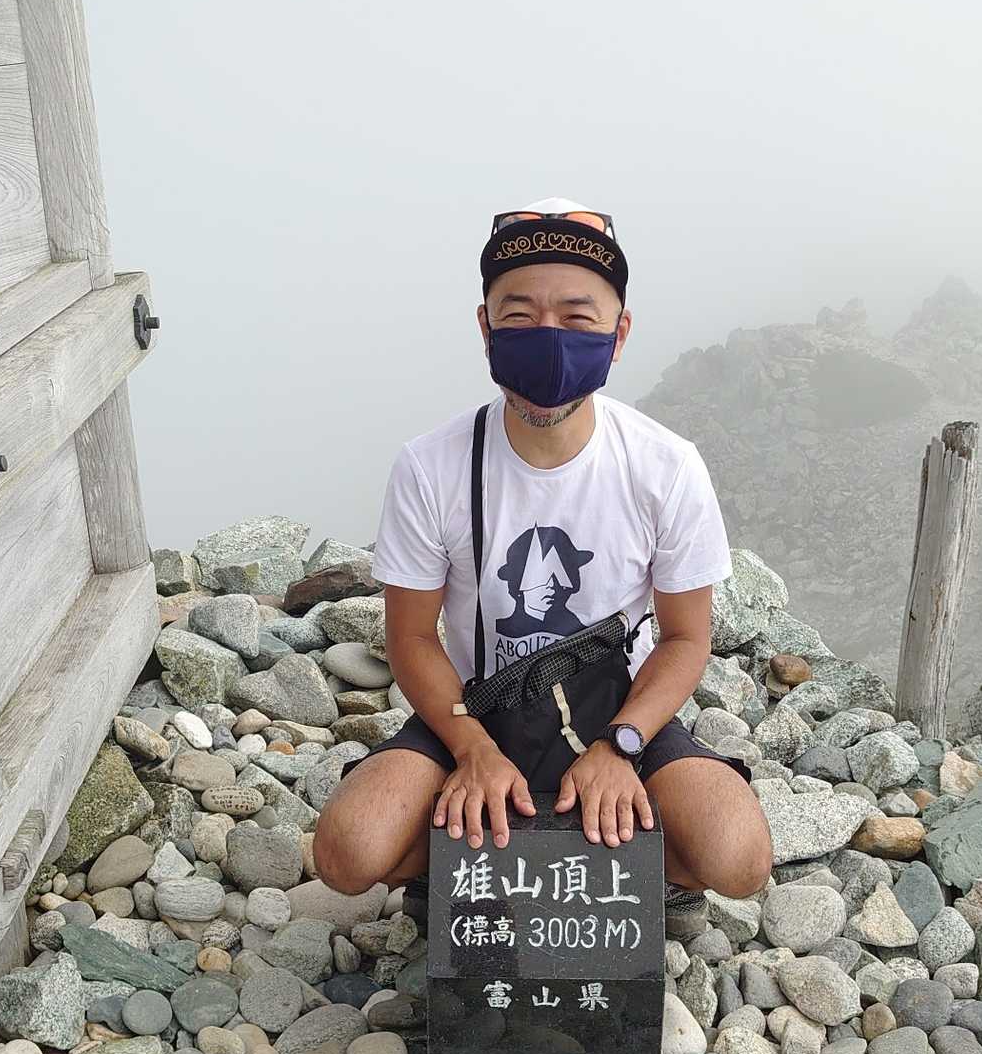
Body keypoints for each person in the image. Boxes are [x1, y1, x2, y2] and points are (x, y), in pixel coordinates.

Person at [313, 199, 773, 913]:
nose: (548, 339)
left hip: (620, 710)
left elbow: (686, 639)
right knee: (348, 851)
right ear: (485, 327)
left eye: (578, 318)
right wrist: (471, 750)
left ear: (619, 333)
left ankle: (601, 868)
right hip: (476, 708)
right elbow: (411, 638)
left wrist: (621, 747)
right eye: (520, 316)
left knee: (737, 857)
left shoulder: (665, 466)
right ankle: (476, 863)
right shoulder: (432, 466)